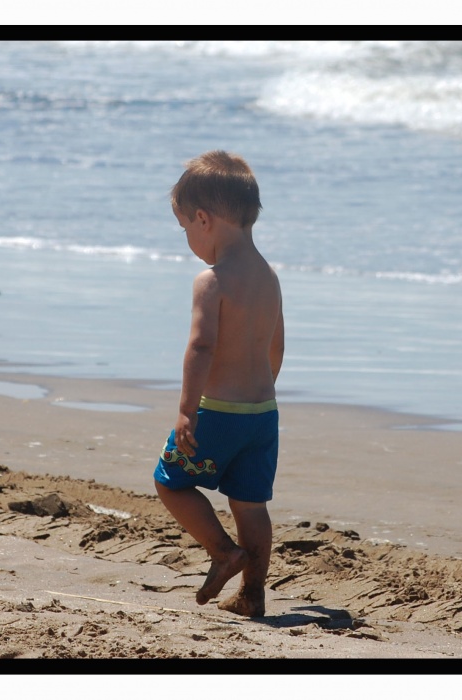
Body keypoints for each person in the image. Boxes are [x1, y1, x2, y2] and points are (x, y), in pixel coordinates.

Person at [153, 150, 284, 617]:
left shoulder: (211, 281)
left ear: (203, 219)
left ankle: (223, 552)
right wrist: (263, 389)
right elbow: (276, 345)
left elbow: (201, 346)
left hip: (218, 412)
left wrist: (188, 410)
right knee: (251, 504)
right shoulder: (269, 277)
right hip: (262, 414)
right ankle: (253, 594)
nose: (188, 236)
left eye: (185, 226)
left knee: (169, 481)